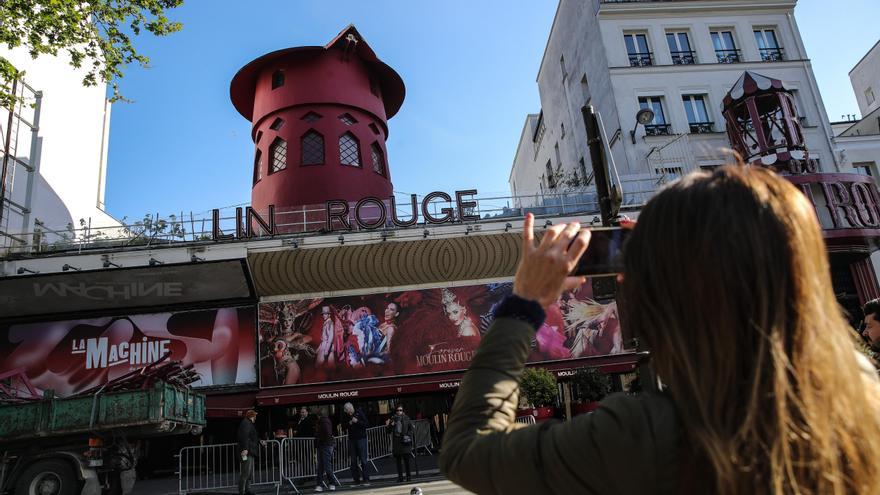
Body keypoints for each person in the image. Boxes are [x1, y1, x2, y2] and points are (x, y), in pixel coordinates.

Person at [439, 166, 880, 494]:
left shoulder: (644, 433)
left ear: (670, 293)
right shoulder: (863, 392)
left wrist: (526, 303)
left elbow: (467, 450)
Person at [237, 410, 266, 495]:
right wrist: (245, 449)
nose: (256, 417)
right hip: (247, 452)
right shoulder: (246, 423)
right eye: (255, 415)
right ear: (252, 416)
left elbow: (252, 436)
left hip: (249, 451)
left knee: (248, 473)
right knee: (246, 472)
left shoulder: (248, 423)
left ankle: (247, 490)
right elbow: (244, 437)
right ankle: (242, 491)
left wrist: (260, 441)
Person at [343, 402, 370, 485]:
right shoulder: (346, 416)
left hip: (361, 439)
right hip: (351, 440)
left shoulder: (359, 412)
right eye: (347, 412)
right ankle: (356, 479)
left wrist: (357, 421)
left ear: (351, 409)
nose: (348, 413)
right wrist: (349, 423)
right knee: (353, 461)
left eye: (348, 411)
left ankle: (366, 479)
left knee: (363, 460)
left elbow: (366, 424)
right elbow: (343, 426)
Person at [386, 404, 415, 482]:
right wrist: (390, 426)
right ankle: (400, 477)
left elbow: (411, 429)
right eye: (398, 410)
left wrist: (407, 435)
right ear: (395, 411)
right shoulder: (393, 419)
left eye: (400, 410)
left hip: (405, 442)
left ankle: (408, 476)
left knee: (407, 461)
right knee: (398, 462)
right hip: (397, 443)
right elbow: (388, 431)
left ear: (403, 411)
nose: (399, 412)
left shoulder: (406, 418)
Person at [314, 408, 338, 492]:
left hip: (325, 445)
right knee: (323, 466)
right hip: (325, 445)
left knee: (324, 466)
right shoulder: (326, 421)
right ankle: (322, 484)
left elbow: (327, 433)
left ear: (319, 415)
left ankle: (330, 483)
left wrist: (320, 440)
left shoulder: (323, 421)